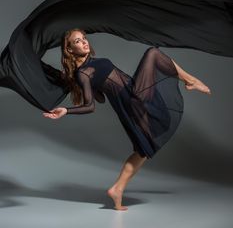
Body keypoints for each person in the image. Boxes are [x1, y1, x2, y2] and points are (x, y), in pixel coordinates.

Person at [43, 28, 211, 210]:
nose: (84, 42)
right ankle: (190, 80)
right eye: (77, 41)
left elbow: (101, 96)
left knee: (143, 150)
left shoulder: (91, 65)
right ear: (69, 50)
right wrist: (66, 110)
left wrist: (75, 80)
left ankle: (117, 189)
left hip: (134, 95)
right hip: (133, 95)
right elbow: (91, 105)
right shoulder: (83, 73)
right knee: (153, 53)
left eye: (84, 38)